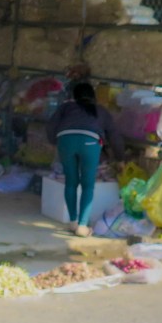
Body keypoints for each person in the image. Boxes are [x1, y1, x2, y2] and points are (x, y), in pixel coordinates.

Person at [46, 82, 125, 237]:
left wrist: (54, 141)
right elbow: (114, 136)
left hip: (65, 140)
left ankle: (73, 222)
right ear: (93, 96)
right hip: (90, 143)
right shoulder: (101, 111)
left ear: (74, 96)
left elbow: (51, 126)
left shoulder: (65, 108)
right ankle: (82, 226)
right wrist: (121, 158)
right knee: (88, 186)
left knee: (71, 182)